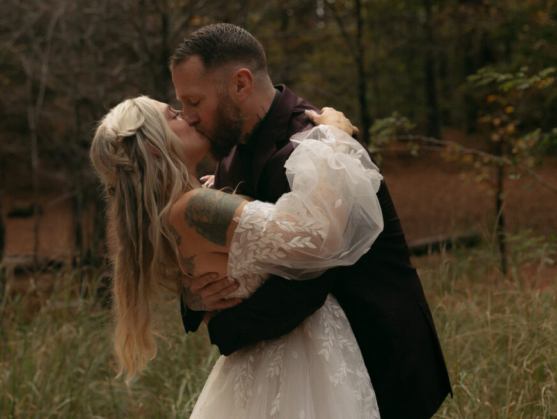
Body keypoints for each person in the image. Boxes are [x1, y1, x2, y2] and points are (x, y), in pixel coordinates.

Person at [170, 23, 452, 418]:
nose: (190, 117)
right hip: (295, 370)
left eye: (195, 101)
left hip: (374, 357)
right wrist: (196, 297)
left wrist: (222, 329)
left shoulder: (317, 145)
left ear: (240, 84)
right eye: (181, 104)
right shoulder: (230, 155)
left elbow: (304, 284)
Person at [90, 95, 384, 417]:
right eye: (174, 115)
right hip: (297, 363)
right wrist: (335, 140)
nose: (188, 116)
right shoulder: (195, 208)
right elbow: (316, 235)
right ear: (153, 147)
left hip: (268, 364)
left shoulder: (177, 210)